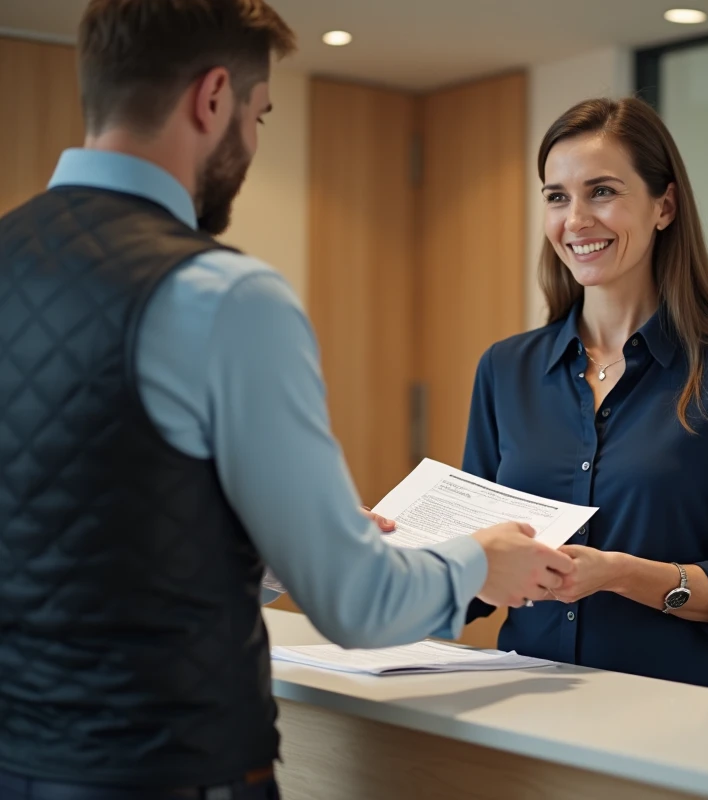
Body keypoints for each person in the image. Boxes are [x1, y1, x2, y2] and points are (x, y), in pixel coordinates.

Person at [0, 1, 572, 797]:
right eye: (259, 114)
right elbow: (358, 604)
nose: (253, 142)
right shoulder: (225, 296)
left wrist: (255, 546)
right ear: (213, 98)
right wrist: (481, 560)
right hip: (172, 772)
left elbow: (70, 522)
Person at [461, 97, 708, 690]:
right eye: (557, 196)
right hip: (517, 715)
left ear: (664, 206)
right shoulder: (504, 369)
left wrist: (617, 574)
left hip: (665, 723)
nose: (576, 220)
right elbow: (477, 591)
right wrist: (411, 557)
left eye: (602, 192)